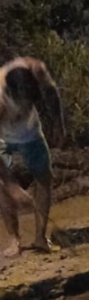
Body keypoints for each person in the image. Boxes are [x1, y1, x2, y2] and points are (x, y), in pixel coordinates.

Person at [0, 57, 67, 256]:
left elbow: (52, 93)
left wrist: (58, 125)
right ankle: (15, 240)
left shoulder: (36, 69)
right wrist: (12, 186)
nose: (26, 104)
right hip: (3, 137)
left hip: (30, 132)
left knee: (44, 177)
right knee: (3, 188)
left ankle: (40, 238)